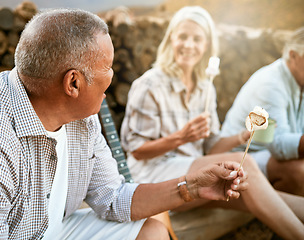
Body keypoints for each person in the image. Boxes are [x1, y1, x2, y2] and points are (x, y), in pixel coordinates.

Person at [0, 8, 249, 240]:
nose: (113, 77)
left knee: (151, 231)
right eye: (107, 67)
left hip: (54, 230)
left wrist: (192, 186)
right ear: (73, 82)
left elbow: (113, 198)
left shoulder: (83, 118)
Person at [120, 6, 304, 239]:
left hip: (194, 173)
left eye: (197, 39)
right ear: (170, 40)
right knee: (241, 164)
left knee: (251, 186)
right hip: (154, 177)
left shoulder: (205, 87)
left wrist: (243, 137)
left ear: (206, 45)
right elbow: (136, 152)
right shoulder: (149, 85)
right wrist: (181, 137)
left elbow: (211, 149)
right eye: (183, 37)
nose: (189, 45)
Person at [220, 27, 304, 196]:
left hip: (265, 154)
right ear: (293, 56)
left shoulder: (299, 78)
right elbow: (278, 145)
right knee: (299, 172)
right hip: (239, 156)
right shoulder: (271, 85)